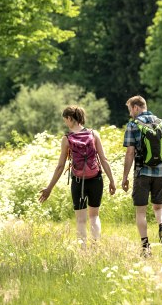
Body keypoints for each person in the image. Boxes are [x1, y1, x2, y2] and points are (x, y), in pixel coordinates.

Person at [39, 105, 116, 249]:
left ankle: (83, 251)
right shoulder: (94, 134)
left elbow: (60, 166)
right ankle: (96, 247)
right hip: (96, 179)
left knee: (81, 220)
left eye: (65, 120)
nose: (65, 123)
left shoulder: (67, 139)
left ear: (69, 118)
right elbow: (104, 160)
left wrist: (49, 188)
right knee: (94, 216)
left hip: (78, 181)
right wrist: (112, 181)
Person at [121, 96, 162, 256]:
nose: (130, 113)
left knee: (141, 211)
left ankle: (146, 247)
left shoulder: (133, 125)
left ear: (136, 107)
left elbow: (130, 153)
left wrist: (125, 177)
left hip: (142, 173)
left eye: (130, 109)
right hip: (161, 173)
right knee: (159, 207)